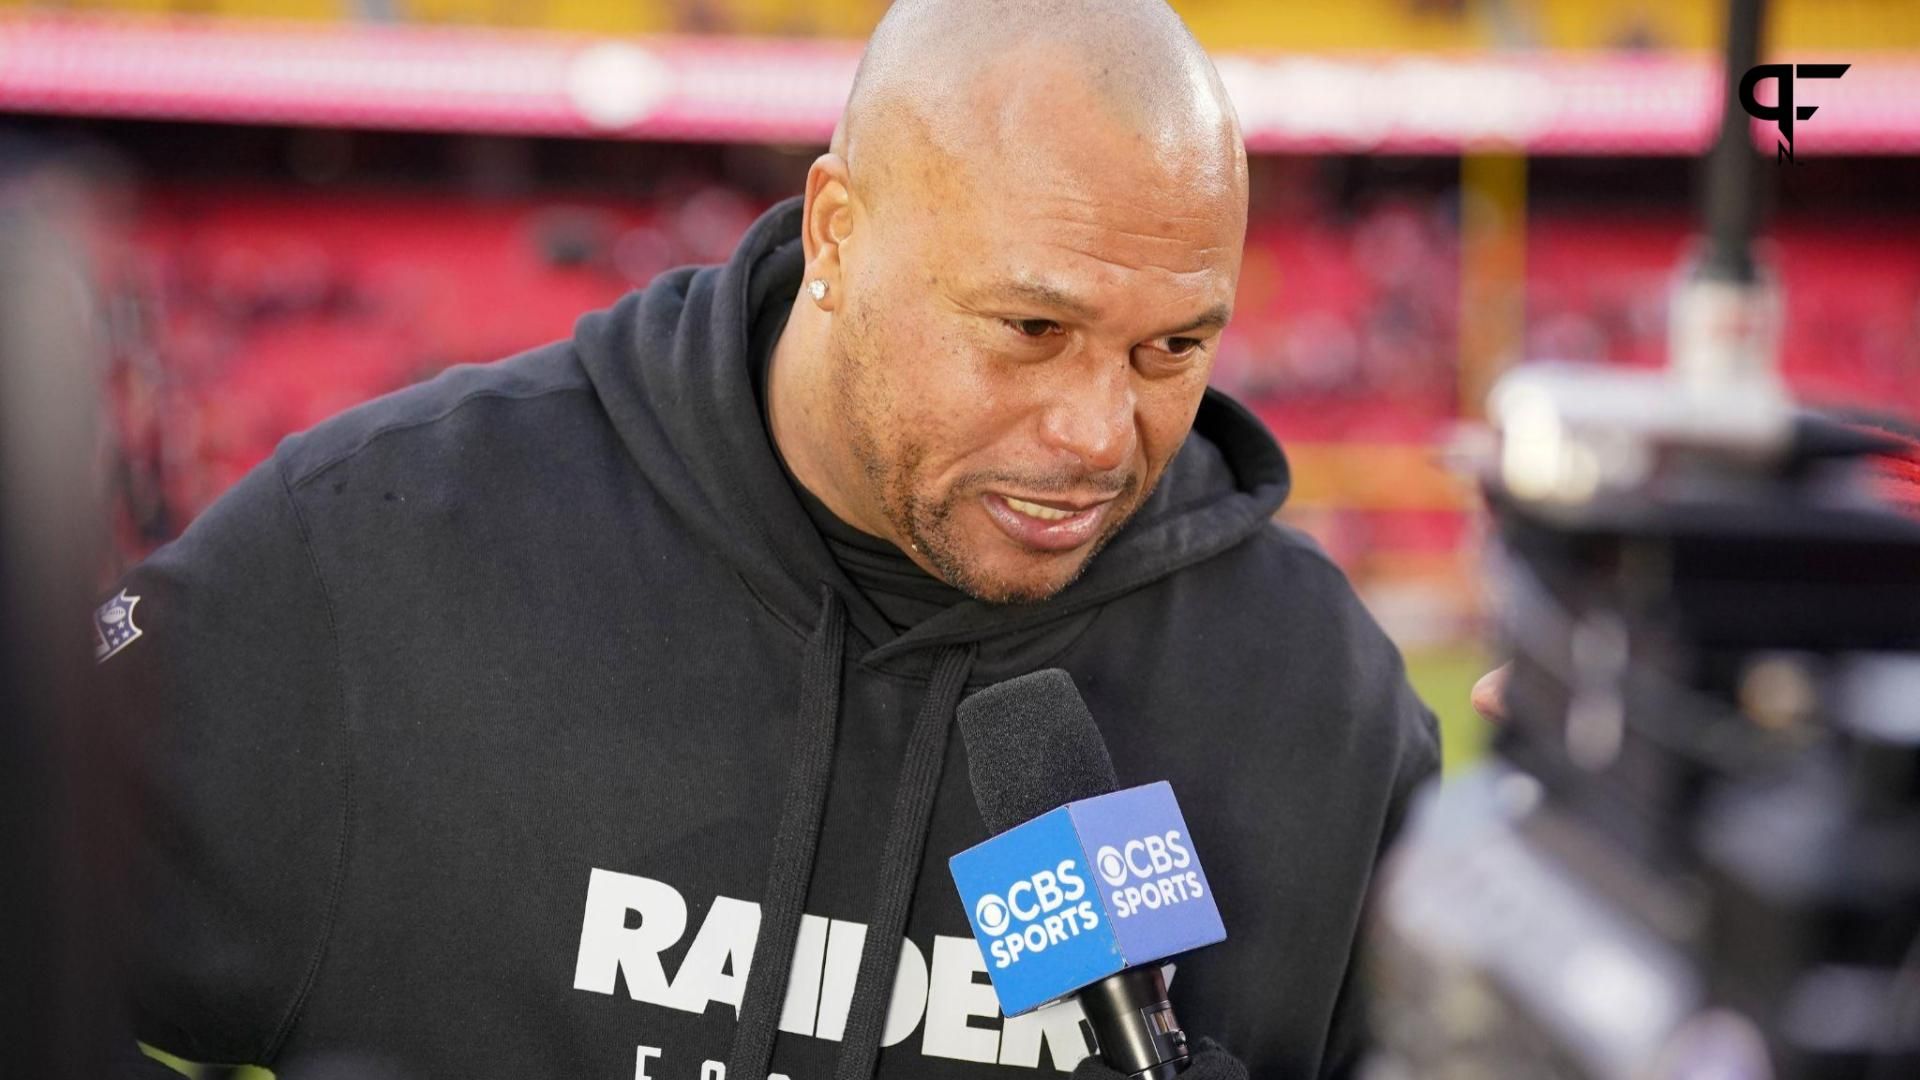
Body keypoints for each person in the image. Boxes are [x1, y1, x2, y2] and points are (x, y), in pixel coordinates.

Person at [106, 1, 1439, 1077]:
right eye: (1030, 330)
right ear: (839, 236)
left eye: (1172, 348)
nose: (1100, 432)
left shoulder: (1319, 706)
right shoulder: (382, 548)